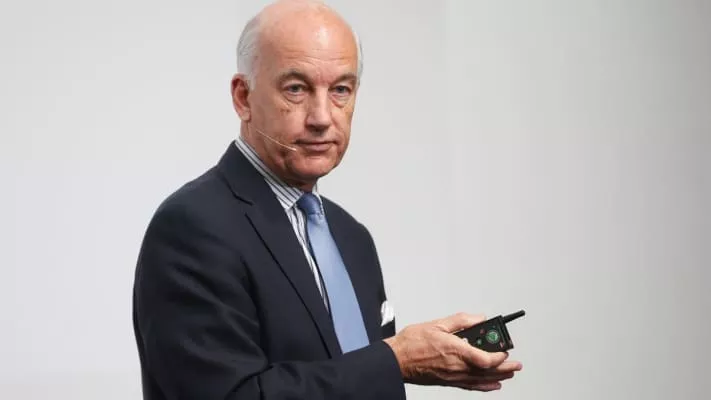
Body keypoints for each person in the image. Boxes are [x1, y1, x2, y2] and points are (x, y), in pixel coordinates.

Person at [131, 1, 522, 399]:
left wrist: (410, 360)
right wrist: (397, 360)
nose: (321, 117)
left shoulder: (352, 237)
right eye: (296, 88)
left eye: (340, 90)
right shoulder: (191, 227)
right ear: (243, 97)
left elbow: (360, 378)